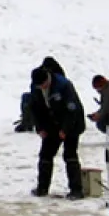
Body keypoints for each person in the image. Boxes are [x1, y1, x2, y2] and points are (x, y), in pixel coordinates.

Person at [29, 67, 86, 199]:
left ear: (47, 79)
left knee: (70, 155)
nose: (41, 87)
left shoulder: (64, 85)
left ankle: (76, 190)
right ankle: (42, 188)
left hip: (72, 123)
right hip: (51, 123)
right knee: (45, 155)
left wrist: (65, 130)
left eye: (43, 84)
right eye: (39, 85)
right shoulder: (35, 86)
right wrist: (40, 127)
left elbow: (72, 110)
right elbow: (35, 108)